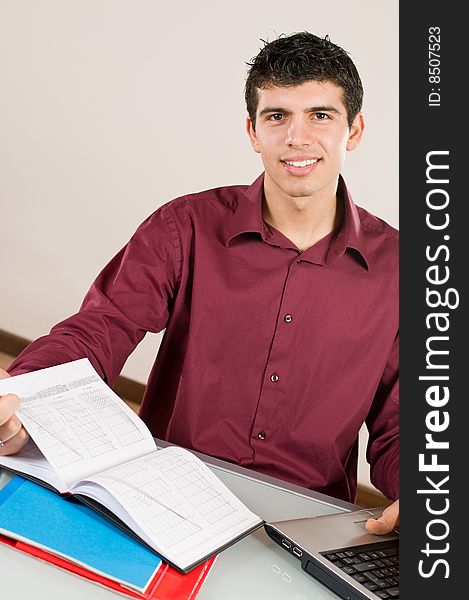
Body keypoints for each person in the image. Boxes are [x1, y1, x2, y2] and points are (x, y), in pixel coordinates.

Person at [0, 32, 398, 533]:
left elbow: (403, 424)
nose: (297, 138)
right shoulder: (184, 226)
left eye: (321, 115)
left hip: (310, 518)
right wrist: (24, 394)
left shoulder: (401, 270)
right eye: (277, 116)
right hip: (167, 495)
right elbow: (101, 327)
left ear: (354, 130)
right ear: (253, 132)